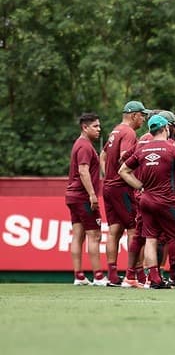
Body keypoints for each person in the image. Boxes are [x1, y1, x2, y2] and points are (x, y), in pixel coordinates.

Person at [119, 115, 175, 289]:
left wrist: (139, 185)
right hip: (166, 201)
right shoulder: (174, 150)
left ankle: (154, 279)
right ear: (165, 129)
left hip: (146, 200)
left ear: (151, 130)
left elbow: (123, 170)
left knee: (150, 238)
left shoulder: (142, 150)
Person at [99, 101, 148, 286]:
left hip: (109, 186)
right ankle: (135, 275)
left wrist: (108, 175)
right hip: (122, 187)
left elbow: (102, 156)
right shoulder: (128, 132)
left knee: (114, 231)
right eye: (142, 115)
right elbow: (124, 156)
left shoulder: (115, 130)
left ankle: (112, 275)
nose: (143, 119)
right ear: (133, 115)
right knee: (135, 231)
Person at [65, 112, 107, 286]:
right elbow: (83, 171)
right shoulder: (84, 146)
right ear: (85, 127)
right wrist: (91, 194)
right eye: (95, 126)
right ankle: (98, 276)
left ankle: (79, 276)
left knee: (78, 235)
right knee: (95, 235)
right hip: (83, 197)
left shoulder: (80, 144)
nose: (99, 129)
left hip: (72, 196)